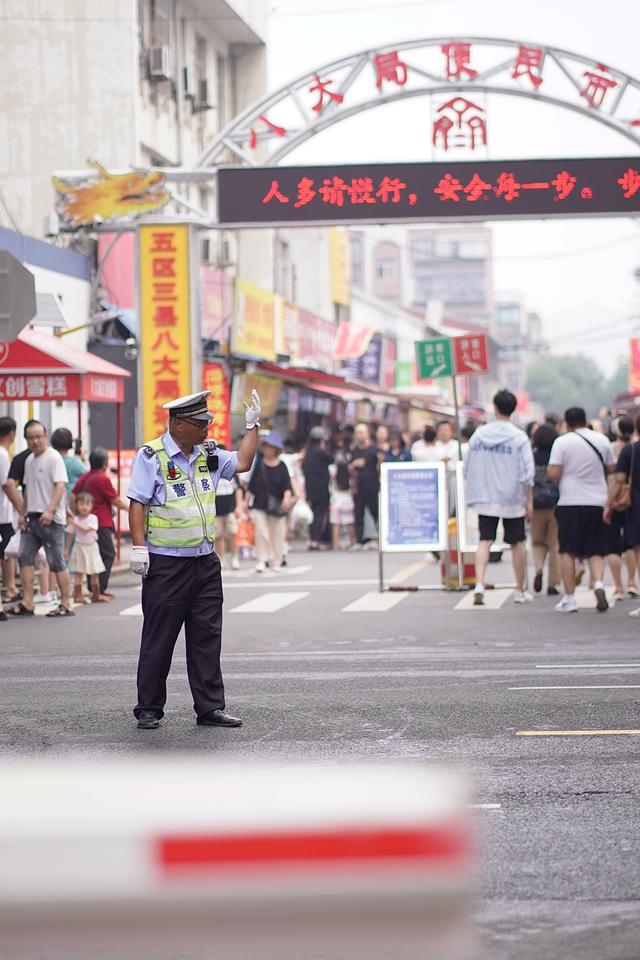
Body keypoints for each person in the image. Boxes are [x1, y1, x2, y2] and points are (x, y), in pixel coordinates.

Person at [128, 389, 260, 730]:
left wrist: (253, 426)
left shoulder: (209, 454)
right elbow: (137, 502)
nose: (207, 428)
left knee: (206, 636)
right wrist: (139, 547)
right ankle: (149, 708)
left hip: (204, 561)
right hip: (166, 564)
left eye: (208, 421)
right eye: (200, 423)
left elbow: (243, 462)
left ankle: (210, 707)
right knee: (160, 637)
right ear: (177, 424)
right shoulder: (151, 456)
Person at [464, 389, 535, 606]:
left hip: (485, 497)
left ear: (494, 408)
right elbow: (527, 473)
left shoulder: (479, 435)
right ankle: (520, 589)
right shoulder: (519, 437)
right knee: (517, 543)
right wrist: (529, 500)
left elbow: (467, 466)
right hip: (512, 498)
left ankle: (479, 584)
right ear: (513, 409)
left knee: (484, 541)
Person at [548, 407, 616, 613]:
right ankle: (598, 584)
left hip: (570, 501)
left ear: (566, 423)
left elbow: (553, 473)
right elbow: (612, 468)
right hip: (597, 500)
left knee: (567, 550)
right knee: (596, 549)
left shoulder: (562, 442)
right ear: (585, 420)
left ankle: (569, 598)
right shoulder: (602, 440)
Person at [8, 421, 73, 618]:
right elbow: (28, 489)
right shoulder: (29, 461)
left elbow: (60, 486)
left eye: (38, 436)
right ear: (26, 439)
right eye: (31, 437)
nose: (35, 441)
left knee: (57, 562)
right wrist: (22, 513)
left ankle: (66, 603)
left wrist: (50, 510)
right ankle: (28, 602)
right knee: (24, 557)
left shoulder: (54, 458)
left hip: (51, 519)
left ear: (45, 436)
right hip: (32, 518)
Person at [72, 448, 129, 599]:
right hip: (101, 522)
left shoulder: (85, 477)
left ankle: (94, 588)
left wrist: (78, 513)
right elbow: (114, 499)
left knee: (94, 555)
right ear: (104, 463)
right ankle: (99, 588)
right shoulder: (102, 478)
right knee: (108, 553)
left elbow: (73, 495)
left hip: (87, 521)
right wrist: (131, 509)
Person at [604, 417, 639, 599]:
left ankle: (618, 587)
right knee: (631, 546)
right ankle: (632, 581)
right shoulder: (632, 448)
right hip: (632, 502)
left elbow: (617, 479)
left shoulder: (617, 449)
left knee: (613, 545)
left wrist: (608, 503)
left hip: (621, 501)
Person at [249, 431, 293, 571]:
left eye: (270, 446)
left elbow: (287, 486)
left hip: (277, 505)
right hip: (260, 503)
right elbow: (252, 485)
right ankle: (263, 559)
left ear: (276, 449)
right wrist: (245, 503)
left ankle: (277, 561)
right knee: (261, 532)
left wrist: (286, 499)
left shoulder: (282, 466)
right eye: (266, 446)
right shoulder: (259, 464)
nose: (268, 449)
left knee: (277, 533)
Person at [530, 423, 561, 596]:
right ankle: (553, 583)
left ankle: (539, 568)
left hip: (536, 504)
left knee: (537, 542)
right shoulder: (556, 457)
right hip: (556, 504)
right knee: (555, 544)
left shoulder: (531, 457)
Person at [0, 417, 24, 619]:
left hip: (4, 513)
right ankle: (9, 588)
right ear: (12, 433)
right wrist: (20, 507)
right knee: (7, 552)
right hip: (2, 514)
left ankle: (9, 588)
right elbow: (6, 484)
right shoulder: (2, 454)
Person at [66, 491, 106, 604]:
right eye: (81, 504)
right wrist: (66, 549)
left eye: (87, 504)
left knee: (95, 572)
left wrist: (73, 522)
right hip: (79, 547)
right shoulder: (75, 520)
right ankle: (78, 596)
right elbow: (70, 535)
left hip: (92, 547)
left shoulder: (93, 518)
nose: (84, 507)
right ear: (76, 505)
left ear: (92, 506)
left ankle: (96, 595)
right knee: (79, 572)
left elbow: (86, 529)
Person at [348, 423, 380, 547]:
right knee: (358, 513)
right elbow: (349, 467)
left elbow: (379, 467)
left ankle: (380, 537)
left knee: (376, 512)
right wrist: (353, 465)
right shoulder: (354, 451)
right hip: (358, 487)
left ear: (367, 434)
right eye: (357, 433)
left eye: (361, 432)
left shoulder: (374, 450)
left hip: (372, 486)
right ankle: (360, 540)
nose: (359, 435)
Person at [302, 426, 332, 550]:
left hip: (310, 489)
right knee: (320, 514)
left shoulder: (307, 453)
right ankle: (316, 540)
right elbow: (332, 459)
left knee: (314, 514)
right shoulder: (320, 452)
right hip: (321, 489)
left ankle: (312, 539)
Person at [214, 457, 242, 570]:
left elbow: (238, 489)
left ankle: (235, 558)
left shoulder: (231, 472)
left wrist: (239, 506)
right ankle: (222, 558)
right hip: (215, 510)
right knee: (218, 536)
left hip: (230, 508)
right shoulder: (211, 471)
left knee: (232, 534)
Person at [51, 426, 88, 504]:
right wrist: (84, 458)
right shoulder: (74, 462)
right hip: (72, 501)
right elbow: (88, 475)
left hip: (54, 500)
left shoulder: (51, 461)